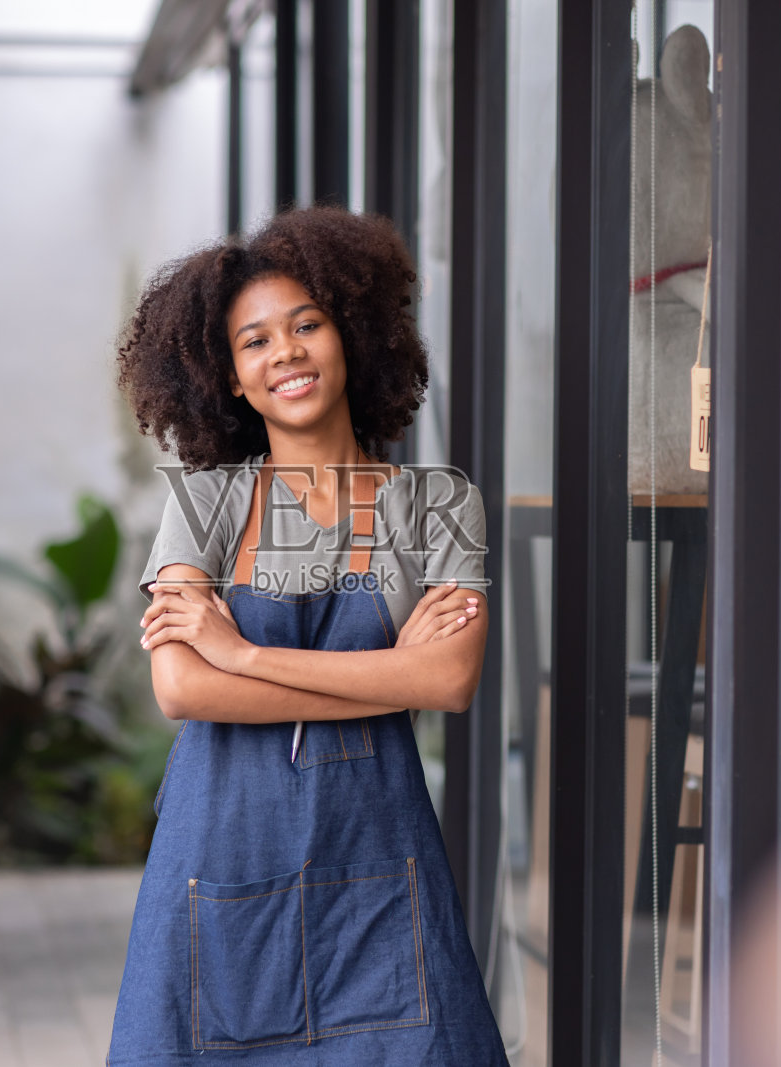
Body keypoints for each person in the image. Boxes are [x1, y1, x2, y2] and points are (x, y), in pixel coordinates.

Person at [107, 207, 508, 1064]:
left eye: (306, 325)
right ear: (231, 381)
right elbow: (182, 688)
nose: (284, 352)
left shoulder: (437, 502)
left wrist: (244, 654)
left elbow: (451, 682)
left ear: (351, 337)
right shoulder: (205, 502)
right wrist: (389, 668)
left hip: (379, 864)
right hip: (222, 854)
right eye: (254, 343)